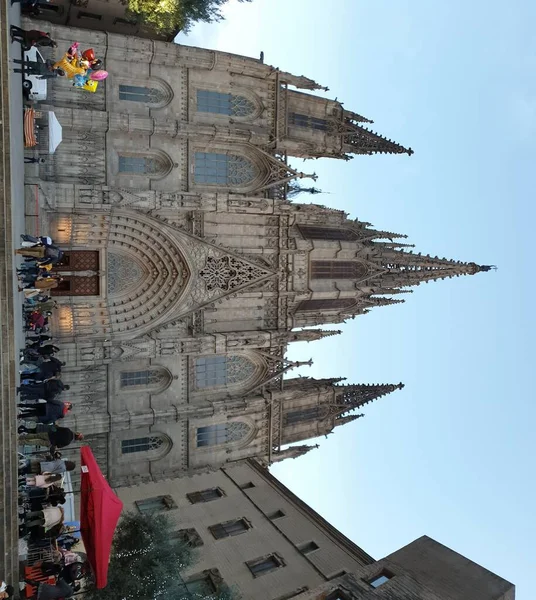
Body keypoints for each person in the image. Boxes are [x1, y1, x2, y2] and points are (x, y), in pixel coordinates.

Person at [18, 424, 83, 450]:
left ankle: (21, 437)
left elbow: (57, 428)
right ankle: (20, 442)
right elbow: (59, 446)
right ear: (77, 439)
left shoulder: (68, 430)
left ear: (76, 433)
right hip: (50, 442)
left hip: (49, 435)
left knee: (35, 435)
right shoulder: (68, 442)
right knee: (35, 442)